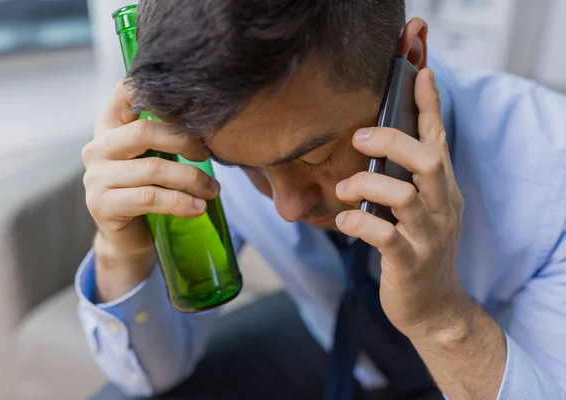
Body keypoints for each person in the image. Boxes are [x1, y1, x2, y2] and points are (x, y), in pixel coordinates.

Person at [76, 0, 566, 399]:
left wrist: (441, 318)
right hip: (336, 343)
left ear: (412, 58)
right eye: (242, 166)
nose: (286, 209)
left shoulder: (551, 172)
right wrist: (122, 249)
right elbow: (152, 376)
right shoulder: (212, 138)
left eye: (316, 156)